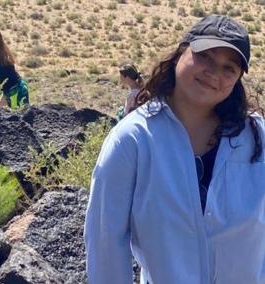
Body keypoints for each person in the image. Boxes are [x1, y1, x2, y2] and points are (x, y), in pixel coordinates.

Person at [85, 14, 264, 284]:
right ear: (182, 52)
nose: (213, 72)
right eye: (205, 56)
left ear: (237, 79)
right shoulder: (133, 140)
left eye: (229, 68)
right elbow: (105, 242)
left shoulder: (257, 138)